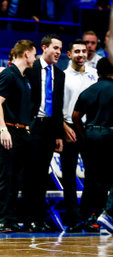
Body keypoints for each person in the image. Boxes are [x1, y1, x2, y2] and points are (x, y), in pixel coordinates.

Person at [0, 40, 36, 233]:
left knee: (17, 178)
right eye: (34, 54)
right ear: (26, 54)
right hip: (8, 130)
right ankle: (0, 219)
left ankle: (10, 218)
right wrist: (3, 130)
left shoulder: (24, 77)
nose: (35, 58)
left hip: (21, 131)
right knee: (5, 176)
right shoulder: (8, 74)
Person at [23, 35, 65, 232]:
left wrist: (58, 135)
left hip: (49, 128)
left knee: (42, 175)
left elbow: (58, 106)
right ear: (44, 48)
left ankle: (39, 219)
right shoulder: (30, 70)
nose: (58, 52)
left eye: (60, 49)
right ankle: (29, 219)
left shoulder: (60, 74)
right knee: (30, 174)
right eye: (55, 48)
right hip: (33, 125)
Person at [60, 39, 98, 232]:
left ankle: (86, 216)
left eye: (84, 51)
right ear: (69, 54)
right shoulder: (63, 76)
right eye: (77, 51)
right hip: (69, 128)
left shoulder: (95, 75)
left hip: (90, 129)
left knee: (92, 175)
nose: (81, 54)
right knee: (69, 176)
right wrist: (64, 128)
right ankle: (73, 220)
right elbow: (56, 107)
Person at [73, 58, 113, 233]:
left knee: (92, 179)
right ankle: (108, 214)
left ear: (97, 71)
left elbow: (75, 116)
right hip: (110, 135)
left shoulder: (88, 91)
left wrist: (83, 135)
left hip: (90, 136)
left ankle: (87, 217)